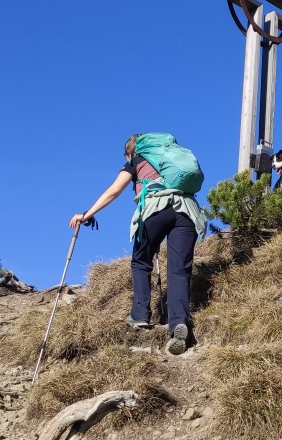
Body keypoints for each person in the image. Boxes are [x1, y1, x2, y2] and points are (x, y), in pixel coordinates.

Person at [70, 135, 206, 356]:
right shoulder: (172, 158)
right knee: (179, 270)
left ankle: (141, 314)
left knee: (141, 262)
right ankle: (179, 324)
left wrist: (87, 214)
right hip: (187, 210)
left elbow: (114, 191)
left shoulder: (137, 160)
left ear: (130, 152)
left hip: (155, 209)